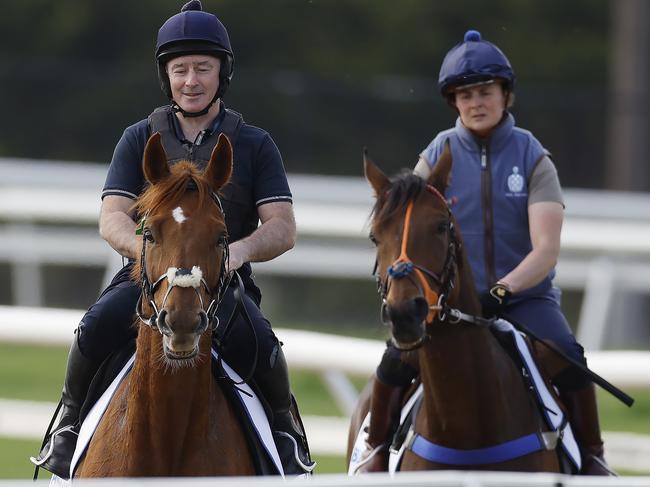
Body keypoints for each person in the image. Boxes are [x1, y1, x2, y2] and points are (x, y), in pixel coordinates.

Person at [31, 0, 314, 478]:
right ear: (167, 77)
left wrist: (236, 253)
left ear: (222, 73)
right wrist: (147, 253)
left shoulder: (254, 144)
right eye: (180, 69)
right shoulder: (139, 138)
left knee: (265, 351)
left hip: (222, 284)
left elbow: (282, 227)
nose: (191, 80)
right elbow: (112, 217)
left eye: (203, 68)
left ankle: (288, 445)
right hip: (148, 280)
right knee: (92, 331)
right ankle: (69, 429)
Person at [358, 30, 612, 476]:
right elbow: (404, 223)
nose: (476, 102)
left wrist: (503, 288)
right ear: (453, 101)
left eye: (486, 92)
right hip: (448, 304)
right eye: (465, 94)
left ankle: (593, 459)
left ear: (505, 95)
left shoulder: (534, 157)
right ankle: (374, 451)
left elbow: (546, 250)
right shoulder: (435, 154)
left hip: (525, 301)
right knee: (394, 363)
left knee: (570, 356)